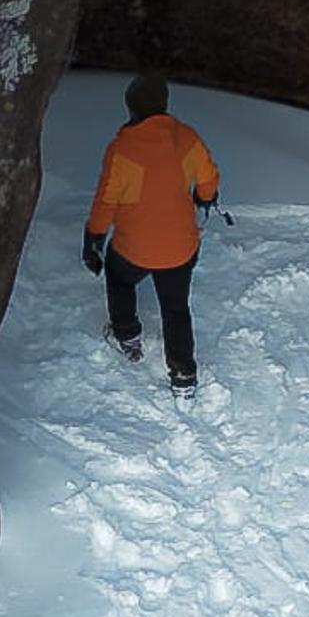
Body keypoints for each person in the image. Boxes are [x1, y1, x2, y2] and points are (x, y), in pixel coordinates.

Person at [83, 72, 222, 390]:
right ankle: (184, 375)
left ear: (131, 108)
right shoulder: (187, 137)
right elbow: (208, 180)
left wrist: (93, 238)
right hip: (181, 249)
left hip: (134, 250)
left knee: (119, 278)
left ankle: (127, 335)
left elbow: (107, 201)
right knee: (176, 308)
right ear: (164, 104)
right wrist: (204, 197)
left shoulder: (122, 149)